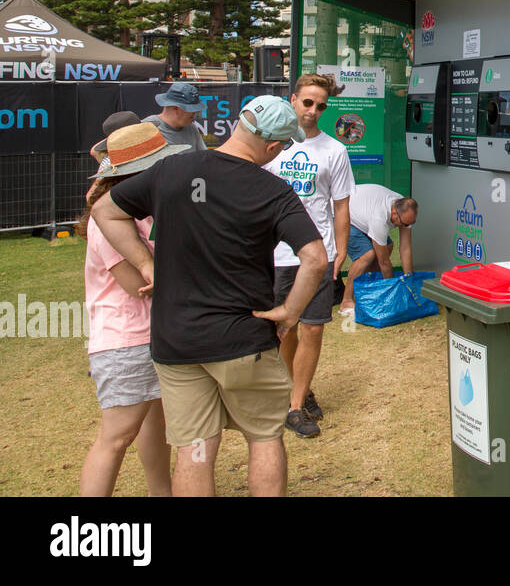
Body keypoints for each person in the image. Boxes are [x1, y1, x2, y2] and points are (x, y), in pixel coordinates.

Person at [92, 95, 327, 497]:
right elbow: (316, 259)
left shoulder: (172, 168)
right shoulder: (274, 190)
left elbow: (105, 210)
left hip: (176, 341)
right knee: (264, 439)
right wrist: (289, 312)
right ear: (272, 147)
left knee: (194, 448)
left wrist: (147, 266)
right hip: (243, 338)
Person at [78, 123, 191, 497]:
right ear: (135, 174)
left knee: (153, 427)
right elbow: (137, 286)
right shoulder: (108, 220)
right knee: (116, 436)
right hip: (125, 341)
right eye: (157, 166)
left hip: (152, 334)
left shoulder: (141, 213)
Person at [263, 74, 353, 439]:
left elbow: (341, 205)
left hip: (317, 253)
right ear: (293, 99)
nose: (314, 111)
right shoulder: (271, 146)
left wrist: (341, 249)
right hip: (278, 254)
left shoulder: (334, 150)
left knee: (314, 327)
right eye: (308, 103)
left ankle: (295, 406)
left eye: (321, 106)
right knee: (285, 330)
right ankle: (299, 388)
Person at [339, 185, 418, 316]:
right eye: (403, 224)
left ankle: (371, 290)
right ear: (394, 214)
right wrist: (393, 293)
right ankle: (346, 302)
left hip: (363, 213)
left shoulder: (404, 208)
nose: (405, 227)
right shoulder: (379, 219)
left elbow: (405, 248)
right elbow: (384, 263)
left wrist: (409, 280)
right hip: (343, 214)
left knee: (387, 247)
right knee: (367, 255)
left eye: (408, 224)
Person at [144, 82, 208, 152]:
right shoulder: (146, 128)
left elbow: (203, 156)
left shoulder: (191, 128)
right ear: (175, 108)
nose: (195, 113)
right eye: (191, 110)